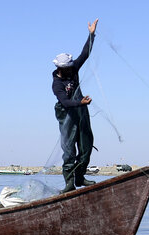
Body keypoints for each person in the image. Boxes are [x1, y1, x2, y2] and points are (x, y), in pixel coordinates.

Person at [52, 18, 99, 193]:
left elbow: (85, 54)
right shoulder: (56, 84)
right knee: (69, 149)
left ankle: (80, 177)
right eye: (68, 68)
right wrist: (80, 102)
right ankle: (70, 182)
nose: (72, 69)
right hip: (66, 115)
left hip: (81, 111)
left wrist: (91, 34)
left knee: (86, 145)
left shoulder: (73, 69)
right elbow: (65, 102)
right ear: (60, 69)